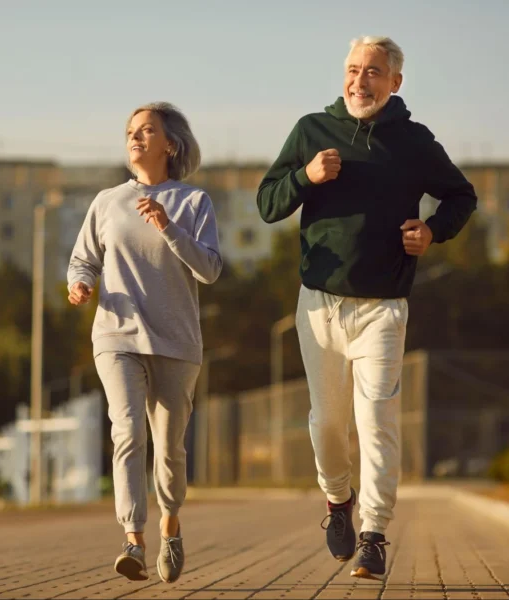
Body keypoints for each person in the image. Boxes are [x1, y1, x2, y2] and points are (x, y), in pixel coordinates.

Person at [257, 36, 476, 580]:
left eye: (373, 72)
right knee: (328, 423)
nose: (360, 81)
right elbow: (266, 203)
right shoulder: (312, 130)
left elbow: (462, 196)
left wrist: (433, 230)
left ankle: (374, 534)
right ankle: (337, 501)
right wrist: (306, 177)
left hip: (384, 308)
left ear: (394, 82)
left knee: (375, 422)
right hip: (319, 307)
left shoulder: (414, 142)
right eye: (353, 70)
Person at [67, 102, 222, 583]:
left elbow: (211, 270)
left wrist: (167, 226)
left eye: (146, 130)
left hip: (176, 342)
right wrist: (80, 283)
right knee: (128, 431)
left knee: (170, 449)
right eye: (131, 130)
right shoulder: (107, 201)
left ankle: (171, 525)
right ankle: (133, 538)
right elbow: (82, 259)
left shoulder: (193, 204)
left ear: (169, 144)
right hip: (116, 334)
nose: (134, 137)